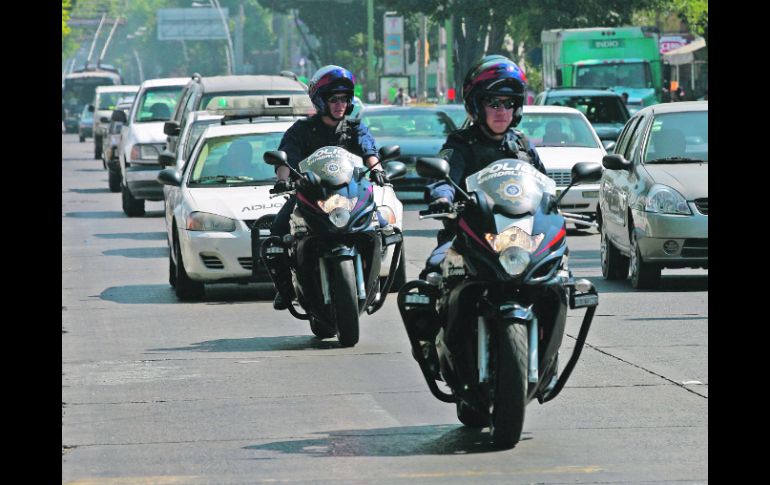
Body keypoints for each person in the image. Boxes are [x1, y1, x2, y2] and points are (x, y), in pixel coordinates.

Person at [267, 65, 386, 310]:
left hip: (350, 196)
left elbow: (369, 151)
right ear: (320, 100)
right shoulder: (301, 129)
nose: (340, 104)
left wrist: (377, 170)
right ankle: (285, 289)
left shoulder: (355, 128)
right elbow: (287, 157)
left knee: (384, 227)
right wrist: (282, 179)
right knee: (277, 231)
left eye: (344, 98)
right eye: (334, 99)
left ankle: (373, 281)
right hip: (311, 195)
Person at [420, 55, 546, 279]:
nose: (502, 111)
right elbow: (443, 177)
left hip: (521, 236)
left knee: (559, 272)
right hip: (470, 234)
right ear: (476, 105)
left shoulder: (523, 145)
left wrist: (553, 204)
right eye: (493, 103)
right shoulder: (461, 144)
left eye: (509, 104)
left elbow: (544, 185)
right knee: (435, 271)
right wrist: (442, 198)